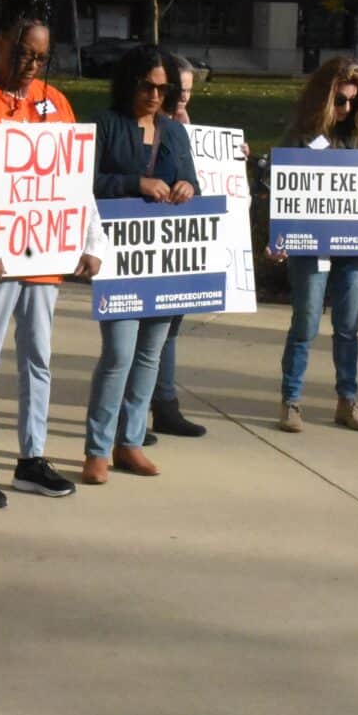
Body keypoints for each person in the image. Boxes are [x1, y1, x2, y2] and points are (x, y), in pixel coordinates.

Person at [0, 5, 110, 508]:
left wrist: (91, 240)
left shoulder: (54, 101)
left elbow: (72, 181)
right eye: (23, 52)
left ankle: (31, 458)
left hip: (44, 252)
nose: (31, 64)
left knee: (38, 356)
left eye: (40, 56)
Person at [82, 45, 199, 483]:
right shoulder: (105, 125)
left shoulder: (174, 132)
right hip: (119, 253)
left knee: (150, 353)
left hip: (165, 257)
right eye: (147, 86)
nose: (154, 95)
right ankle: (97, 448)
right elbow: (87, 181)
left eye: (162, 88)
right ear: (129, 82)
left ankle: (130, 442)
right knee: (118, 353)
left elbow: (194, 181)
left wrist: (187, 185)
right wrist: (137, 183)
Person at [270, 57, 358, 433]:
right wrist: (279, 238)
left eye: (353, 102)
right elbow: (282, 189)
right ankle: (291, 401)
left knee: (348, 326)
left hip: (353, 245)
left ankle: (347, 400)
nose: (346, 109)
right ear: (323, 99)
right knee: (305, 323)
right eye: (340, 101)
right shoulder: (300, 137)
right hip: (311, 246)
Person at [151, 51, 210, 438]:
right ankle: (139, 409)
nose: (184, 96)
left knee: (171, 328)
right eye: (180, 89)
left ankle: (165, 403)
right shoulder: (152, 128)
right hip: (147, 241)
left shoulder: (187, 129)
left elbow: (196, 180)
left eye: (190, 90)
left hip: (177, 243)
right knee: (144, 333)